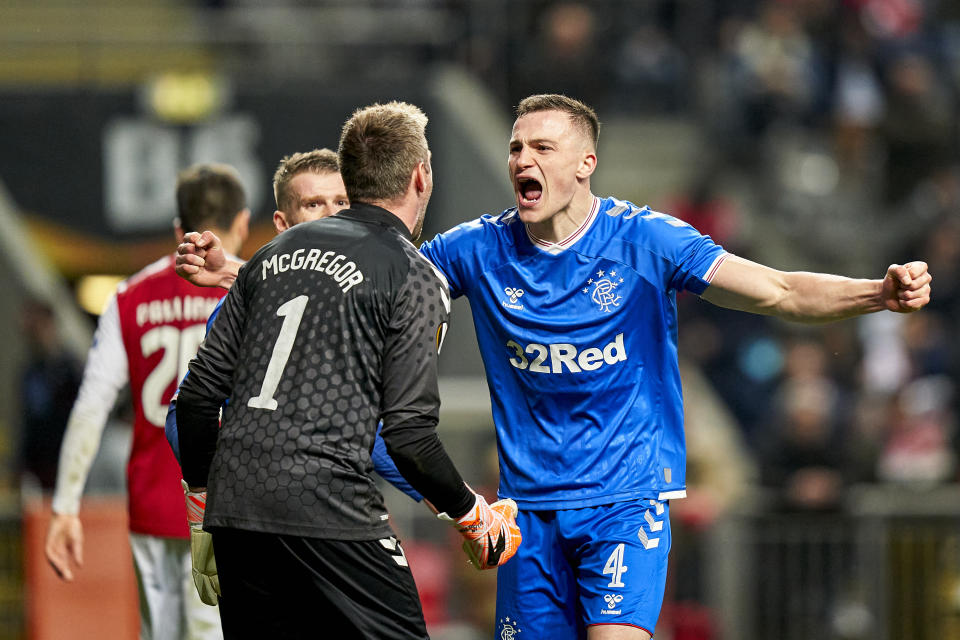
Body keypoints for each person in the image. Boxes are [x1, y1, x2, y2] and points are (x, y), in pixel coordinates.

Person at [177, 94, 932, 640]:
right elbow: (356, 274)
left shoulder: (647, 241)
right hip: (528, 513)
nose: (522, 159)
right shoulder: (473, 248)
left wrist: (877, 293)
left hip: (624, 499)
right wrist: (241, 271)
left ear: (586, 163)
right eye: (514, 147)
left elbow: (777, 289)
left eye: (541, 146)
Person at [175, 101, 521, 639]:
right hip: (330, 509)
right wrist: (475, 517)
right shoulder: (414, 275)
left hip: (237, 513)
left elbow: (196, 401)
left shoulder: (268, 259)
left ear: (352, 180)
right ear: (420, 176)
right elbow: (407, 436)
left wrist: (202, 517)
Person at [45, 163, 251, 640]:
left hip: (152, 505)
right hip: (228, 506)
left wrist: (65, 506)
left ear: (178, 229)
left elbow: (92, 402)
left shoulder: (129, 296)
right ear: (242, 222)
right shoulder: (254, 288)